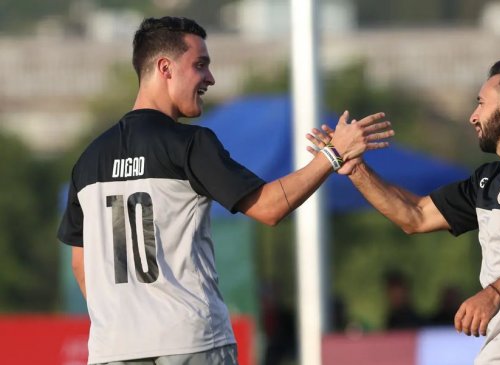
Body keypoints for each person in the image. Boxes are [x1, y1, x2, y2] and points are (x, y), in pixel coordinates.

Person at [57, 16, 393, 365]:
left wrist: (124, 321)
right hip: (189, 342)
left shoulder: (89, 159)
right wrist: (333, 153)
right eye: (200, 65)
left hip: (113, 349)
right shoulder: (189, 143)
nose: (210, 78)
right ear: (165, 68)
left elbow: (81, 265)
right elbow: (269, 207)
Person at [307, 59, 500, 364]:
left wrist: (493, 293)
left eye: (481, 103)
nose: (474, 116)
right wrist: (355, 169)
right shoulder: (487, 180)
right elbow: (414, 215)